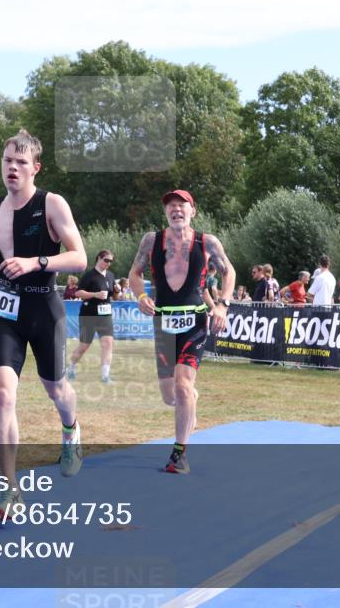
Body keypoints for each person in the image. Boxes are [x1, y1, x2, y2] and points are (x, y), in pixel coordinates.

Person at [0, 129, 86, 514]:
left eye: (21, 162)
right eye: (8, 161)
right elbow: (0, 248)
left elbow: (79, 258)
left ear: (35, 168)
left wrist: (36, 262)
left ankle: (71, 429)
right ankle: (10, 489)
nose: (13, 168)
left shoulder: (51, 203)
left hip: (44, 308)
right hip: (7, 310)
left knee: (57, 389)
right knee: (3, 394)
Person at [129, 189, 234, 474]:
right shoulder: (152, 240)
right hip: (163, 321)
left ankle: (179, 454)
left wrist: (222, 305)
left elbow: (229, 272)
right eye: (171, 206)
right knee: (169, 395)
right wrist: (141, 296)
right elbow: (134, 274)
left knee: (183, 385)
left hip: (195, 321)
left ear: (193, 211)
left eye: (182, 205)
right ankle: (189, 402)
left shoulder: (206, 242)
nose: (176, 209)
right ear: (166, 212)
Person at [67, 250, 117, 384]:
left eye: (110, 261)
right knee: (84, 346)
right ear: (98, 258)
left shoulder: (111, 276)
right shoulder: (89, 275)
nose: (108, 263)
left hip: (105, 314)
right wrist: (95, 295)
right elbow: (78, 293)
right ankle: (70, 368)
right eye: (106, 260)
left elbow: (114, 296)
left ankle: (105, 376)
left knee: (108, 343)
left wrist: (116, 291)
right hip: (88, 314)